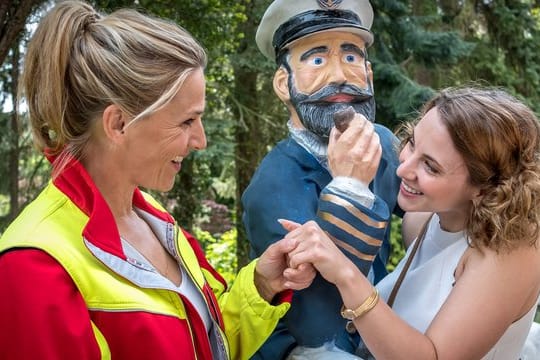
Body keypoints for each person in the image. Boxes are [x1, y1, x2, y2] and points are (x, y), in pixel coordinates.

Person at [0, 2, 317, 359]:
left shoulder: (154, 220)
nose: (200, 140)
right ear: (118, 124)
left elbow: (206, 344)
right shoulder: (35, 267)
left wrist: (261, 284)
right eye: (186, 122)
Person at [283, 86, 540, 359]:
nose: (402, 168)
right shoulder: (427, 218)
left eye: (430, 166)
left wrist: (345, 274)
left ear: (486, 187)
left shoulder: (511, 253)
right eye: (413, 143)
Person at [242, 0, 403, 358]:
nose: (340, 76)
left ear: (369, 72)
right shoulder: (274, 185)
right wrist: (350, 189)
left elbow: (426, 208)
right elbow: (317, 324)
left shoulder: (383, 143)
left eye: (351, 57)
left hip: (381, 331)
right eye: (317, 60)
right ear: (284, 84)